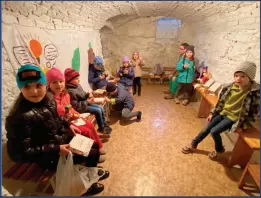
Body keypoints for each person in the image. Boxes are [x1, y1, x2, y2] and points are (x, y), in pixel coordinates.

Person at [5, 64, 110, 194]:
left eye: (38, 85)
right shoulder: (18, 117)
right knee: (93, 153)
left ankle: (91, 173)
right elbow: (19, 153)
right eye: (27, 86)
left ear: (44, 85)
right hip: (46, 157)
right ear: (21, 88)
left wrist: (68, 125)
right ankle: (87, 186)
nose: (34, 91)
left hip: (59, 142)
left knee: (93, 145)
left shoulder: (49, 100)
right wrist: (56, 149)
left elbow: (56, 120)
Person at [182, 62, 260, 160]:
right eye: (236, 76)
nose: (238, 79)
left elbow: (254, 112)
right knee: (206, 129)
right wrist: (212, 113)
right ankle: (193, 144)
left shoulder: (254, 92)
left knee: (214, 131)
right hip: (222, 113)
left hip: (233, 117)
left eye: (243, 76)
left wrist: (243, 126)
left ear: (250, 77)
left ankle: (219, 150)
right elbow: (220, 103)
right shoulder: (229, 87)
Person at [46, 68, 106, 161]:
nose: (59, 85)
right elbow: (54, 118)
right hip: (63, 125)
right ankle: (91, 153)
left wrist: (77, 115)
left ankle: (98, 147)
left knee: (89, 125)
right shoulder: (49, 99)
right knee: (86, 131)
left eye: (61, 81)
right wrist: (66, 118)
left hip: (71, 120)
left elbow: (70, 108)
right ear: (48, 84)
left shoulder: (65, 94)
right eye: (54, 82)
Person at [64, 68, 112, 134]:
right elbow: (76, 106)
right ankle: (101, 128)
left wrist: (87, 95)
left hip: (85, 103)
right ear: (69, 80)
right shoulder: (70, 91)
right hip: (80, 108)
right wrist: (88, 101)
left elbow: (83, 95)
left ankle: (104, 124)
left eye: (78, 78)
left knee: (100, 108)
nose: (79, 80)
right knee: (97, 110)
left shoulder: (77, 85)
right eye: (76, 79)